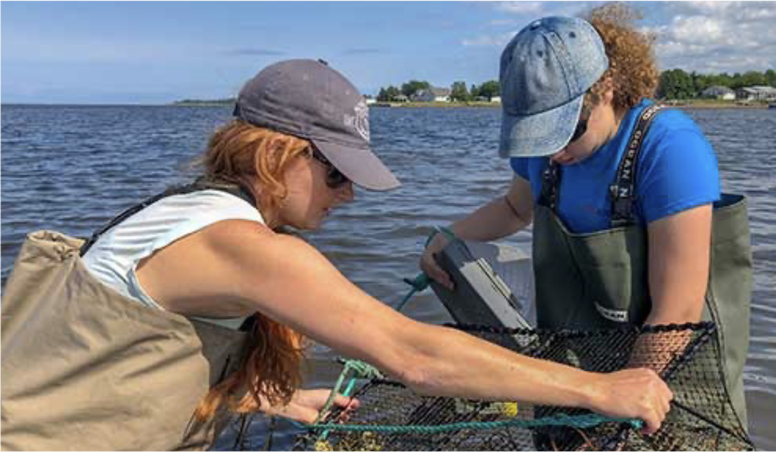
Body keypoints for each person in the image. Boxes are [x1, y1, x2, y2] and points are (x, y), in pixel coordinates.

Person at [0, 58, 673, 452]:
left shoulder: (181, 210)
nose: (348, 195)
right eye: (337, 174)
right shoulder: (244, 246)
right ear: (279, 153)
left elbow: (117, 364)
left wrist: (269, 398)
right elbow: (416, 356)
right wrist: (600, 386)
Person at [420, 5, 751, 427]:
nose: (554, 152)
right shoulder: (546, 156)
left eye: (567, 130)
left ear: (607, 87)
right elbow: (513, 208)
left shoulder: (670, 147)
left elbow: (677, 308)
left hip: (671, 355)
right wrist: (445, 238)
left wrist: (614, 417)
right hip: (584, 349)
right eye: (538, 136)